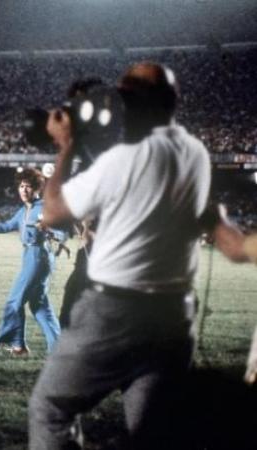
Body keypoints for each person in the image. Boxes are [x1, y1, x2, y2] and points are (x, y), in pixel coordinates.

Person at [28, 62, 253, 449]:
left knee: (50, 408)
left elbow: (52, 212)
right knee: (151, 431)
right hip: (174, 317)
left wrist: (64, 147)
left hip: (115, 311)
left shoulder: (123, 160)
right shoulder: (195, 153)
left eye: (126, 90)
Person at [0, 168, 64, 356]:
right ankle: (58, 349)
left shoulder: (44, 207)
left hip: (39, 258)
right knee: (38, 305)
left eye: (28, 187)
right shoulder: (24, 210)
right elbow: (6, 226)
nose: (23, 190)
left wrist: (52, 233)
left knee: (14, 302)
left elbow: (59, 229)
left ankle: (17, 345)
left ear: (37, 189)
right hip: (31, 257)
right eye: (21, 186)